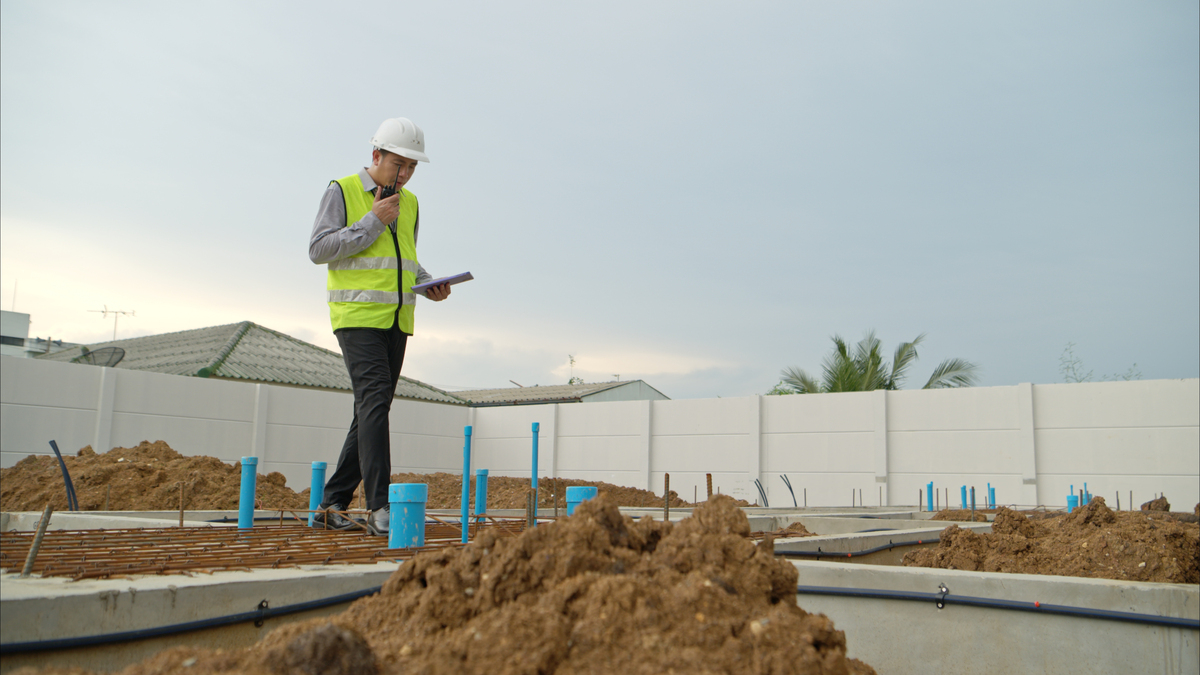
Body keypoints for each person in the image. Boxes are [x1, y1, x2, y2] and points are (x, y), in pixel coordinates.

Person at [307, 117, 450, 535]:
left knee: (372, 409)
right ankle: (380, 507)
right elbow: (319, 249)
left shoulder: (412, 203)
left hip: (397, 318)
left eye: (411, 168)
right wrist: (373, 220)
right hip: (356, 318)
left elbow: (404, 255)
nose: (403, 175)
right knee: (372, 403)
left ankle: (332, 503)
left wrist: (428, 283)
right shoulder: (343, 190)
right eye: (397, 165)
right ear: (376, 155)